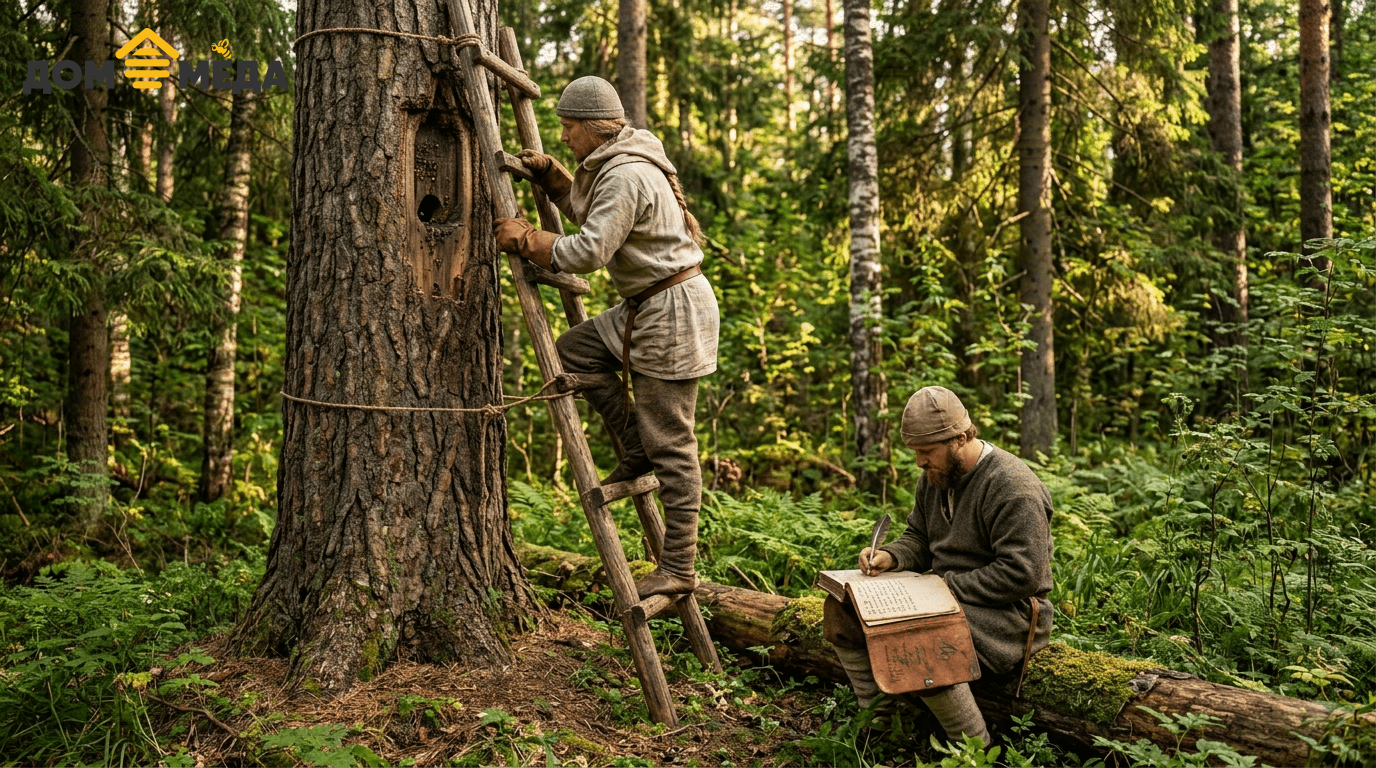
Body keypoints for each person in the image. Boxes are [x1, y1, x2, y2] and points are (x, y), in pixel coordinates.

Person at [491, 76, 718, 600]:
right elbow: (603, 221)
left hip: (670, 313)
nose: (563, 137)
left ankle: (679, 564)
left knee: (675, 447)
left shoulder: (627, 174)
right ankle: (634, 440)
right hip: (649, 306)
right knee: (574, 350)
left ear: (595, 129)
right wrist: (555, 181)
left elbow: (591, 250)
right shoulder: (619, 163)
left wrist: (528, 238)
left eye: (569, 129)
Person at [826, 386, 1054, 742]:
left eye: (926, 451)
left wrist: (941, 589)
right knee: (843, 610)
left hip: (1009, 615)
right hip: (945, 596)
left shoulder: (1013, 486)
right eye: (915, 451)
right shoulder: (936, 476)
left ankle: (975, 749)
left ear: (961, 438)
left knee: (921, 632)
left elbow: (1022, 574)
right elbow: (919, 536)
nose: (919, 461)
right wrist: (893, 555)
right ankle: (879, 723)